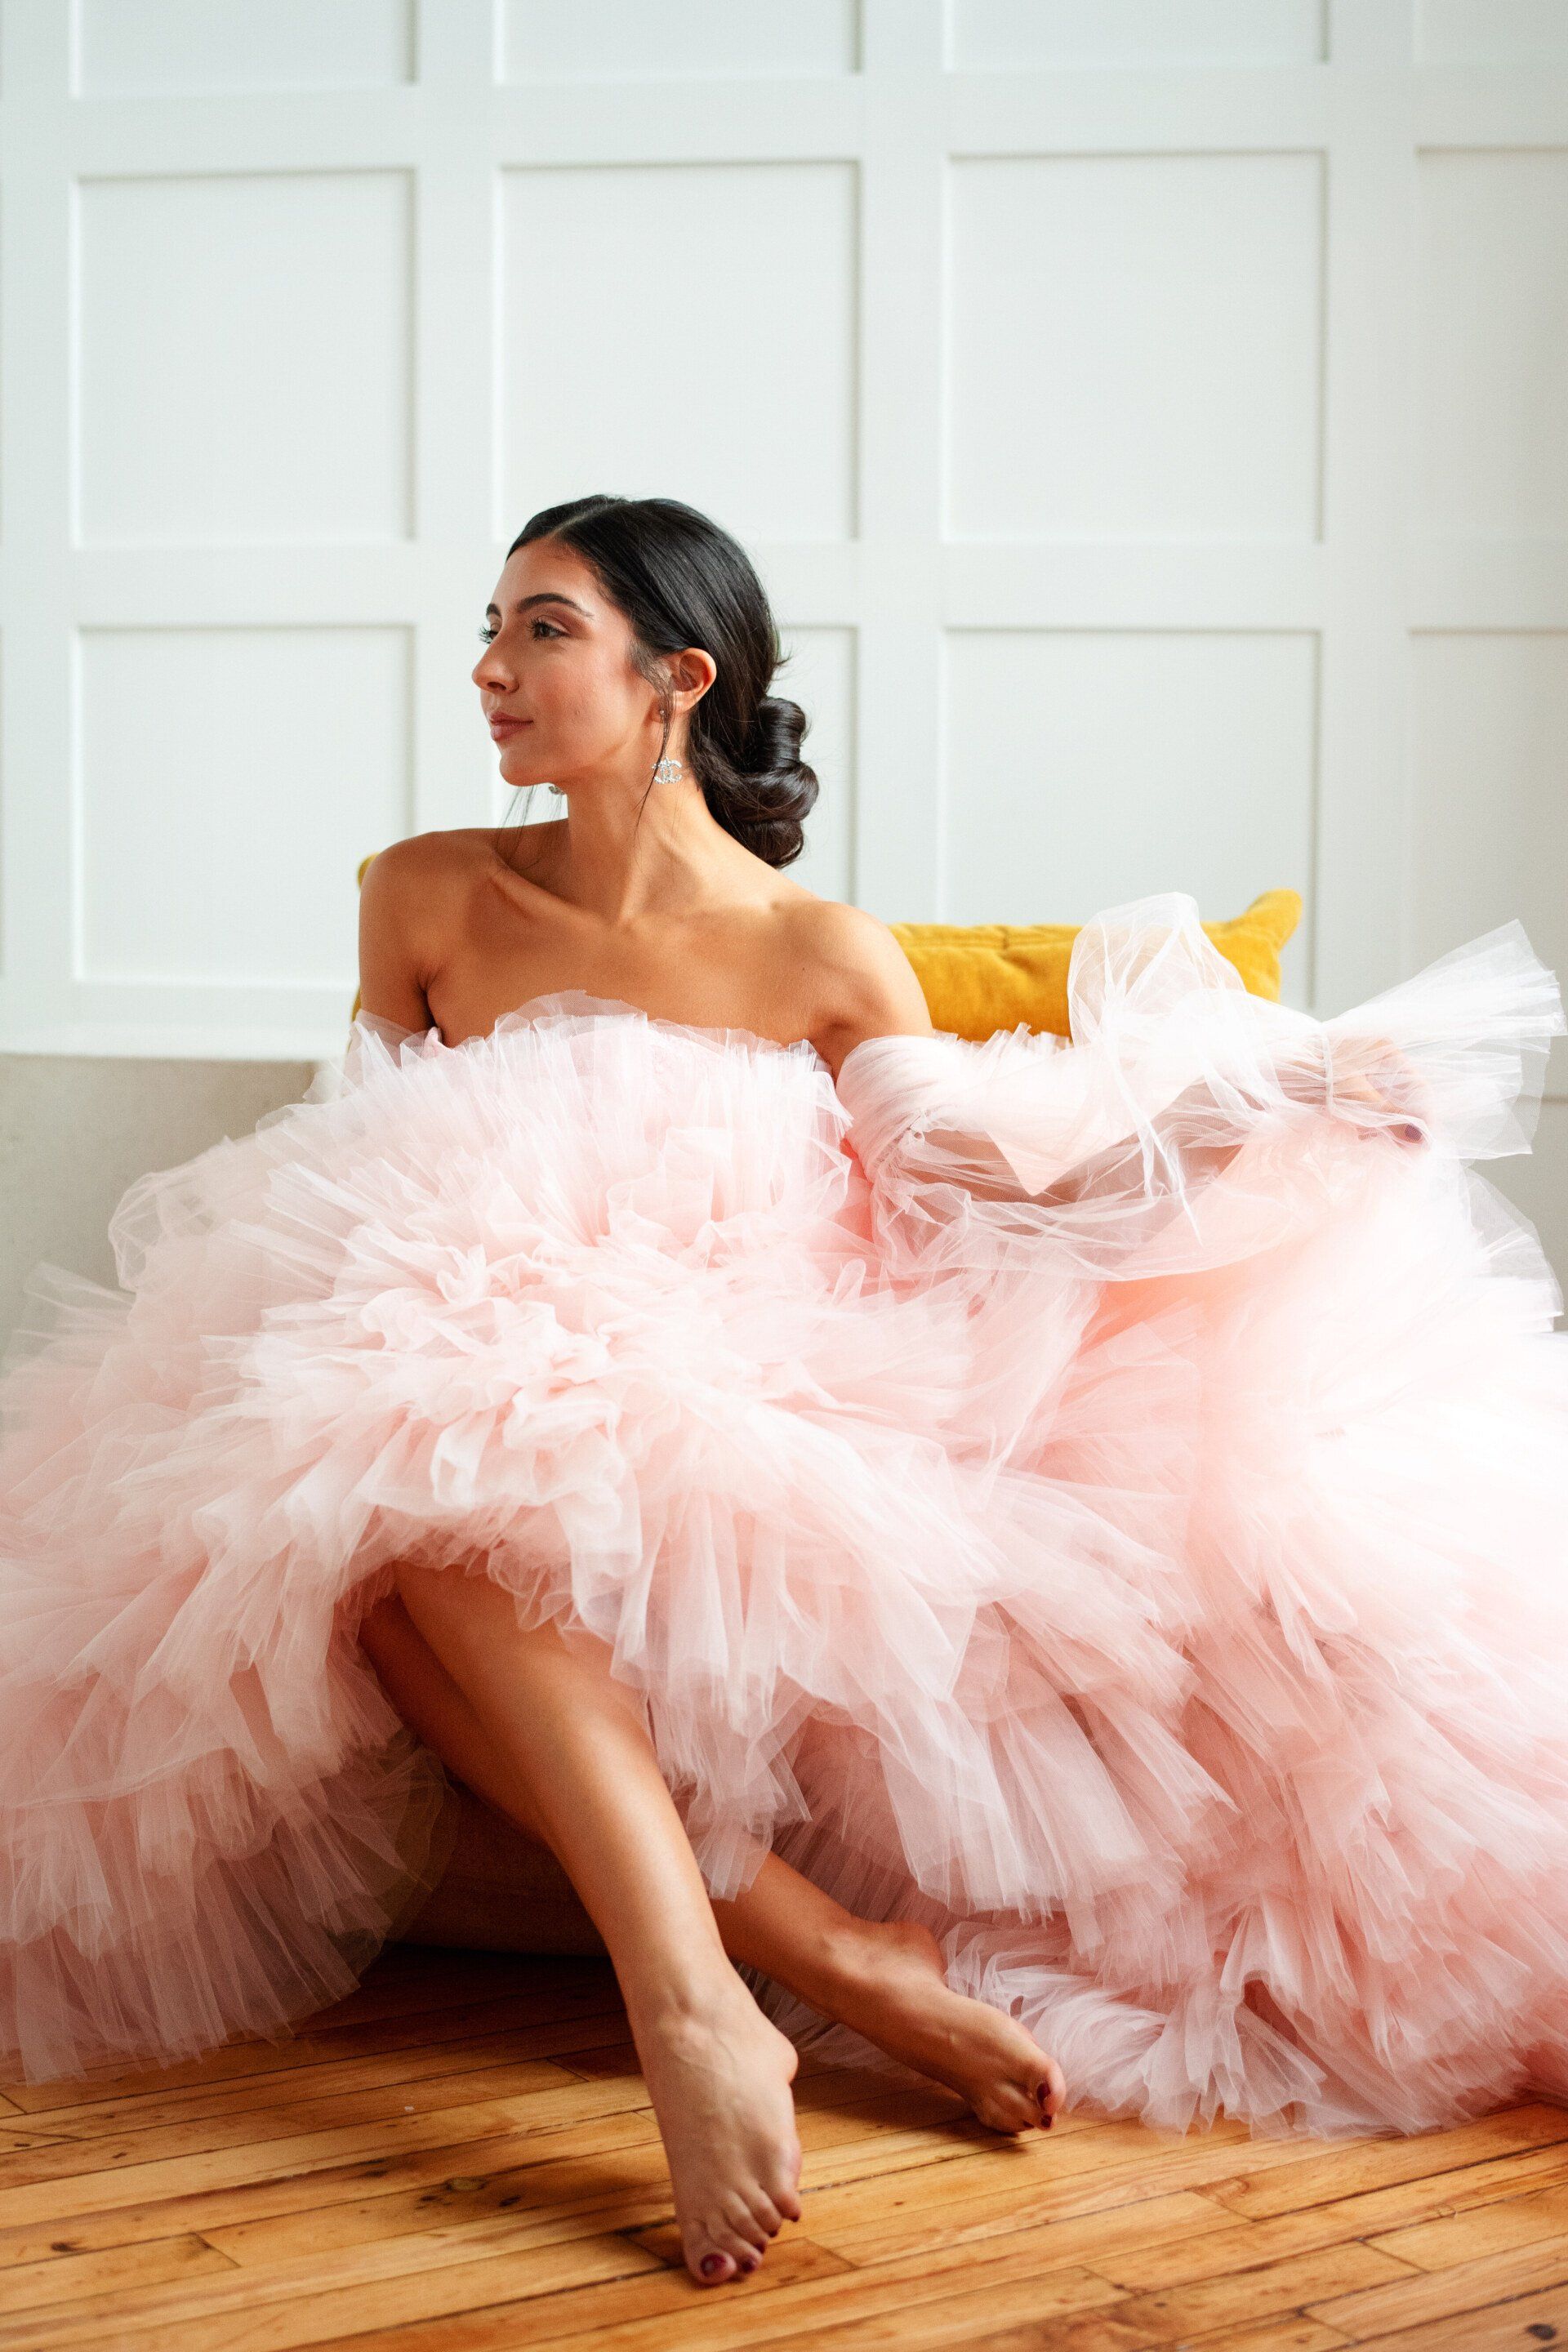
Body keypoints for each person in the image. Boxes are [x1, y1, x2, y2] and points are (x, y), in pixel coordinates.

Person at [1, 496, 1565, 2294]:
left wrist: (1255, 1106)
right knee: (375, 1492)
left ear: (680, 677)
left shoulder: (821, 952)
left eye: (543, 630)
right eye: (489, 629)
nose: (492, 669)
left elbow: (997, 1200)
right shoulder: (421, 894)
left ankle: (729, 1990)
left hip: (749, 1380)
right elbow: (351, 1180)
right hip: (458, 1346)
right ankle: (781, 1970)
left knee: (415, 1504)